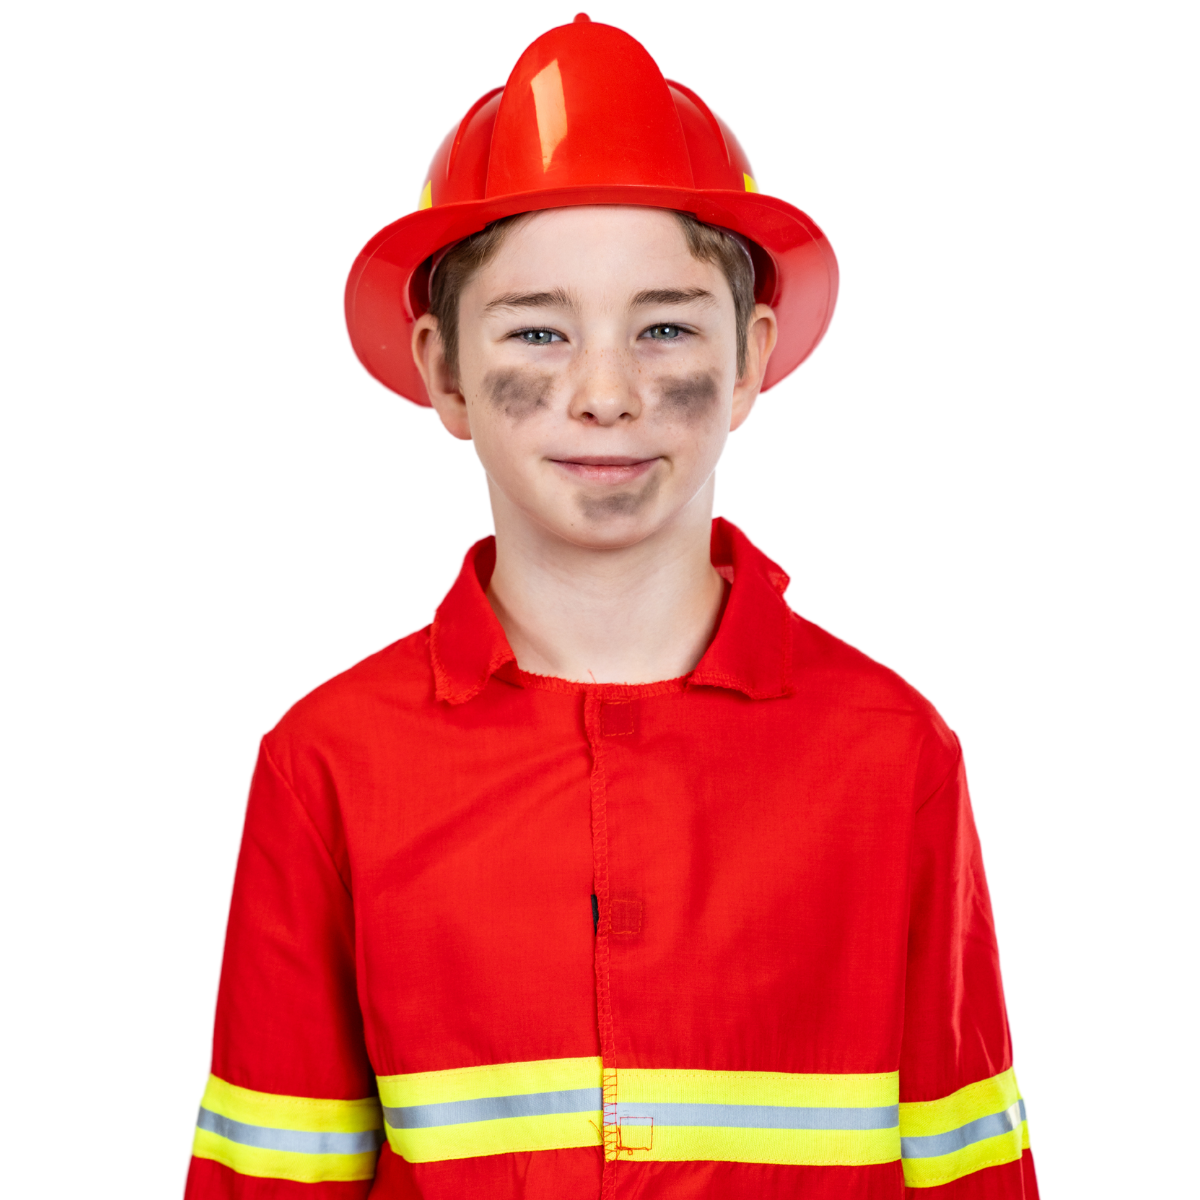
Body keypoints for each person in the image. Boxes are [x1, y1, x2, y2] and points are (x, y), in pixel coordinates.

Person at [185, 16, 1038, 1199]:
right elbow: (271, 1175)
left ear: (750, 360)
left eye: (665, 327)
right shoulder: (328, 765)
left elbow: (971, 1170)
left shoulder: (892, 756)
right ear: (443, 370)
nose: (604, 393)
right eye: (539, 330)